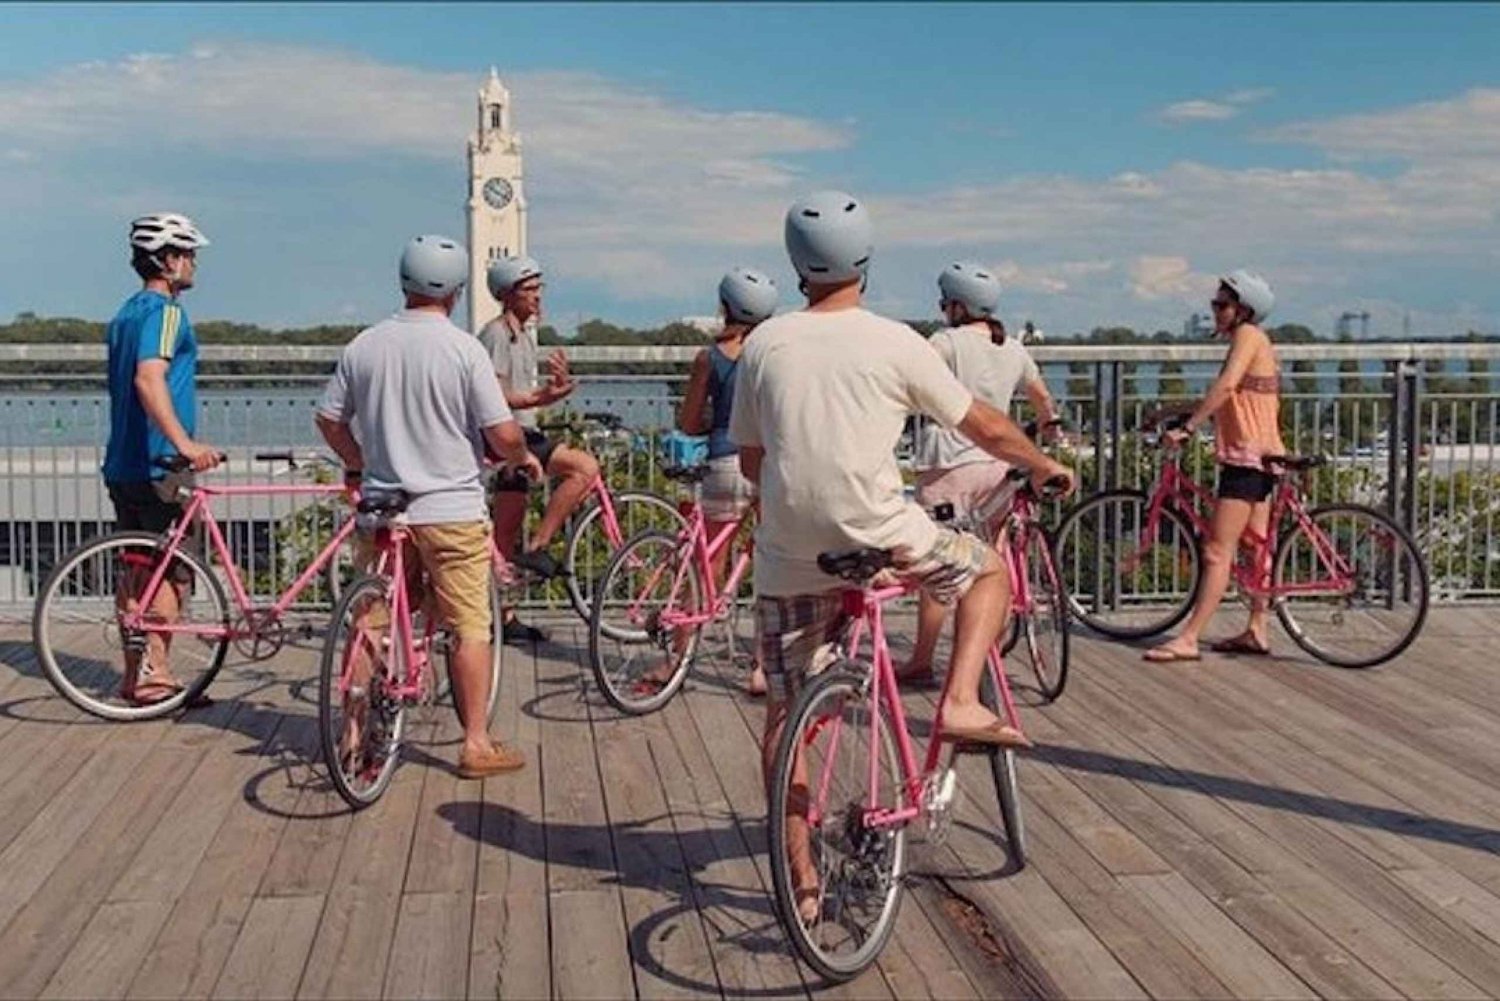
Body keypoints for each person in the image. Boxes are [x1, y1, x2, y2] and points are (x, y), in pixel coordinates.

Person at [729, 190, 1074, 922]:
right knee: (985, 571)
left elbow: (754, 460)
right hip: (881, 530)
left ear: (796, 264)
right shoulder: (896, 341)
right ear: (867, 260)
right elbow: (980, 422)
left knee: (787, 714)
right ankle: (957, 700)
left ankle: (801, 872)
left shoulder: (765, 344)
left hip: (790, 550)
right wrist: (1040, 464)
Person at [315, 234, 542, 778]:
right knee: (470, 625)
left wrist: (356, 462)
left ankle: (350, 732)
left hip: (384, 508)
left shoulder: (364, 345)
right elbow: (502, 431)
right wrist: (522, 459)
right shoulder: (463, 349)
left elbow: (328, 418)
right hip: (450, 510)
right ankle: (475, 743)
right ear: (457, 291)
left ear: (404, 282)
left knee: (371, 621)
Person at [902, 261, 1064, 687]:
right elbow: (1041, 396)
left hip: (949, 462)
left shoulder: (946, 342)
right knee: (989, 561)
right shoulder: (1011, 347)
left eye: (945, 303)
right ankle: (981, 656)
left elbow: (909, 379)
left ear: (957, 306)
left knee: (939, 565)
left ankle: (921, 659)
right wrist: (1049, 427)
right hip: (997, 464)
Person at [103, 212, 222, 707]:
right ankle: (157, 673)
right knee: (170, 572)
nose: (194, 263)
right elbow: (149, 379)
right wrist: (187, 445)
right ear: (169, 261)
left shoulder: (123, 315)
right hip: (160, 466)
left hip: (122, 462)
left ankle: (136, 676)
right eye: (189, 253)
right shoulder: (166, 313)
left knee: (135, 567)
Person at [1145, 270, 1284, 662]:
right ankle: (1257, 628)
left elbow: (1224, 387)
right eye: (1215, 304)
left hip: (1246, 458)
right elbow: (1233, 396)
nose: (1215, 311)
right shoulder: (1257, 340)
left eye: (1222, 305)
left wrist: (1188, 428)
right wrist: (1171, 412)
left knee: (1215, 551)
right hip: (1265, 453)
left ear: (1243, 309)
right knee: (1256, 546)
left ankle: (1188, 638)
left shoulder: (1247, 337)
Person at [477, 255, 600, 644]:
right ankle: (540, 544)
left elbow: (524, 396)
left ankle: (502, 616)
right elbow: (494, 397)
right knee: (584, 468)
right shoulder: (496, 334)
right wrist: (540, 397)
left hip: (519, 434)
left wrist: (552, 391)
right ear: (507, 295)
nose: (537, 296)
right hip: (508, 439)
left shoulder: (524, 336)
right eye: (529, 290)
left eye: (538, 288)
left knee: (502, 536)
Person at [675, 267, 778, 696]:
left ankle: (676, 659)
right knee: (772, 565)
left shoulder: (709, 357)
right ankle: (760, 668)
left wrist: (714, 424)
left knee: (706, 566)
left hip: (723, 463)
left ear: (724, 306)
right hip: (768, 464)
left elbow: (689, 421)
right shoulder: (775, 353)